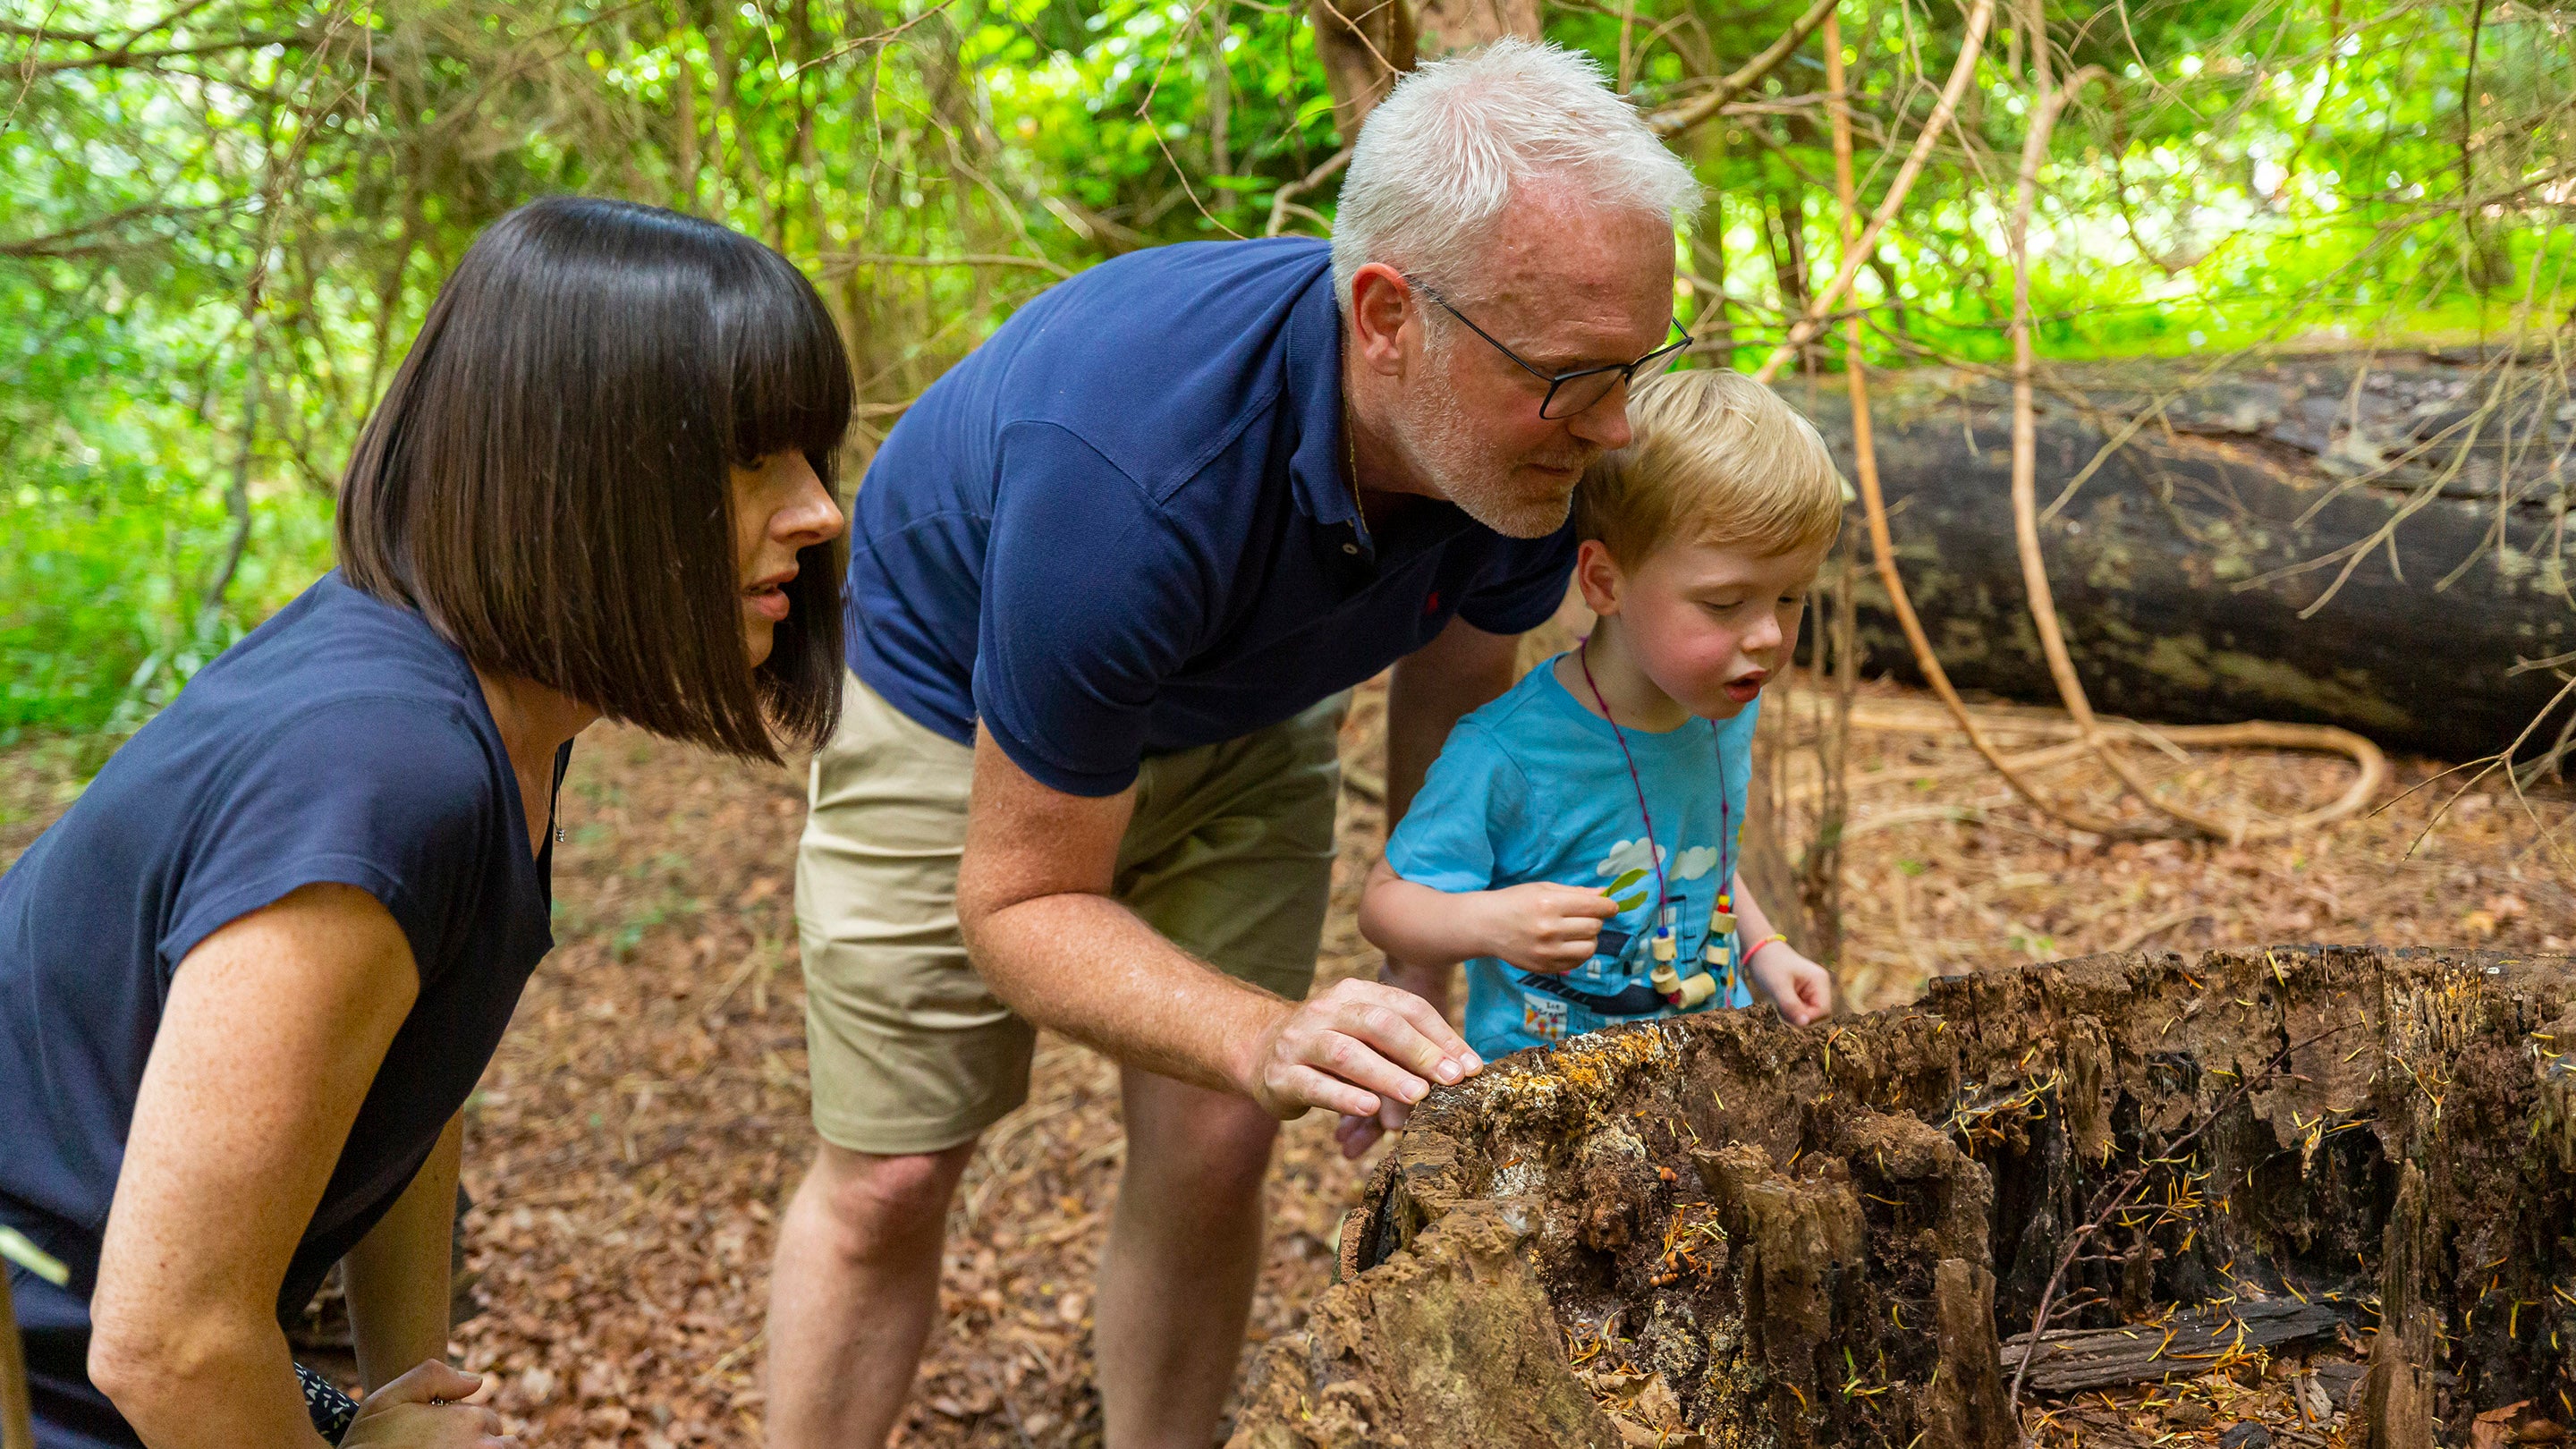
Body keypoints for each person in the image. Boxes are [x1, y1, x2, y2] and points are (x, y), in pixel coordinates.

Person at [768, 38, 1699, 1449]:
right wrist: (1270, 1028)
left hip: (1249, 710)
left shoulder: (1522, 453)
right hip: (958, 706)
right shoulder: (1131, 481)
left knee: (1218, 1135)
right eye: (1571, 377)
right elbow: (1022, 901)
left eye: (1637, 364)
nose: (1616, 423)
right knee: (895, 1172)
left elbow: (1451, 673)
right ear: (1387, 317)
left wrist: (1419, 950)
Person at [0, 196, 852, 1449]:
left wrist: (410, 1390)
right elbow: (169, 1345)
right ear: (579, 474)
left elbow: (412, 1061)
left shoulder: (497, 712)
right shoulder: (386, 772)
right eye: (749, 457)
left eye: (812, 455)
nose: (819, 509)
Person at [1347, 369, 1841, 1148]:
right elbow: (1388, 904)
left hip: (1702, 1085)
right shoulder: (1506, 752)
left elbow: (1699, 854)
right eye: (1725, 603)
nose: (1770, 638)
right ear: (1604, 580)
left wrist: (1762, 949)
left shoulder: (1721, 705)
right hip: (1544, 1113)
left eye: (1790, 597)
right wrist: (1491, 922)